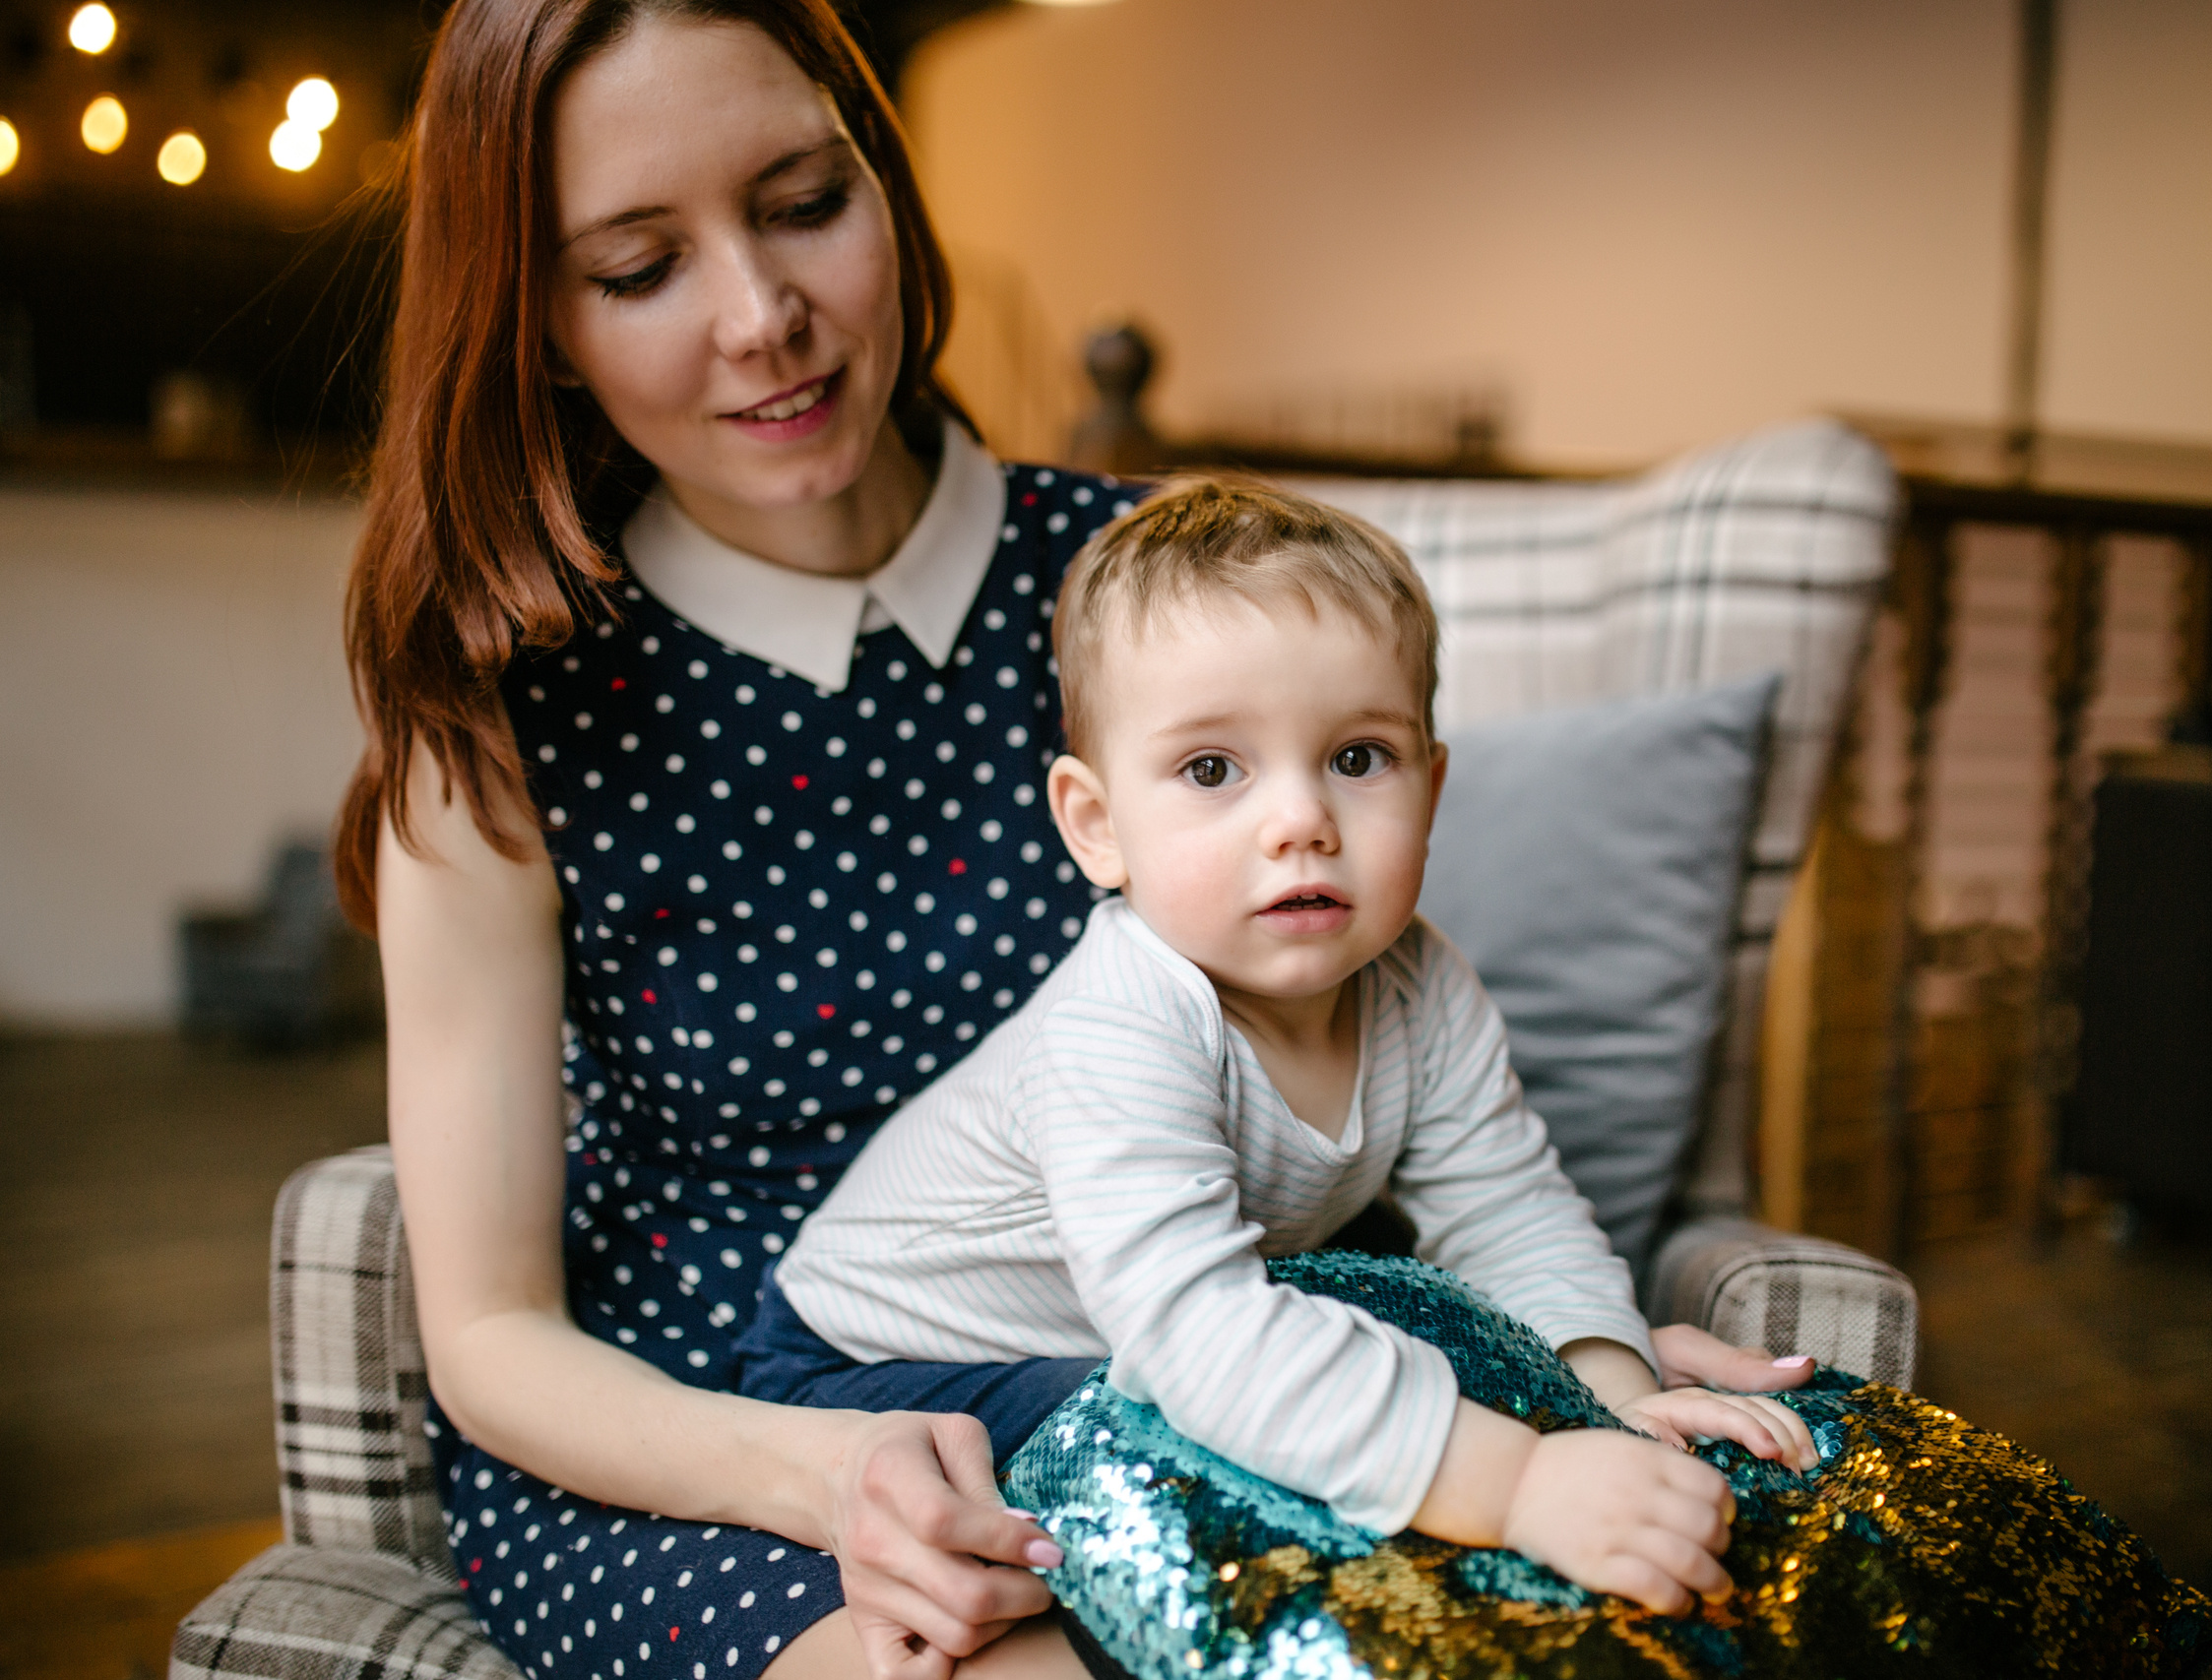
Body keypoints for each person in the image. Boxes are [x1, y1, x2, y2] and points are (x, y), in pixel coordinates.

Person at [339, 2, 1811, 1677]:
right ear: (536, 323)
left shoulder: (1154, 593)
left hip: (1187, 1363)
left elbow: (1349, 1073)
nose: (764, 320)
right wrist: (831, 1474)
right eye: (638, 267)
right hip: (689, 1444)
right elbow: (491, 1335)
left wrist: (1566, 1361)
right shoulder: (498, 718)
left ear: (890, 191)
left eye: (806, 202)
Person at [741, 477, 1821, 1625]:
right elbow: (1199, 1335)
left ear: (1433, 786)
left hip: (1136, 1330)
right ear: (1097, 826)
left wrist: (1605, 1397)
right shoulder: (1125, 1020)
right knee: (1219, 1430)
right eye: (1213, 770)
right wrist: (1517, 1483)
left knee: (1389, 1341)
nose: (1301, 818)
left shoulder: (1423, 981)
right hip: (869, 1373)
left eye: (1359, 759)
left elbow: (1508, 1209)